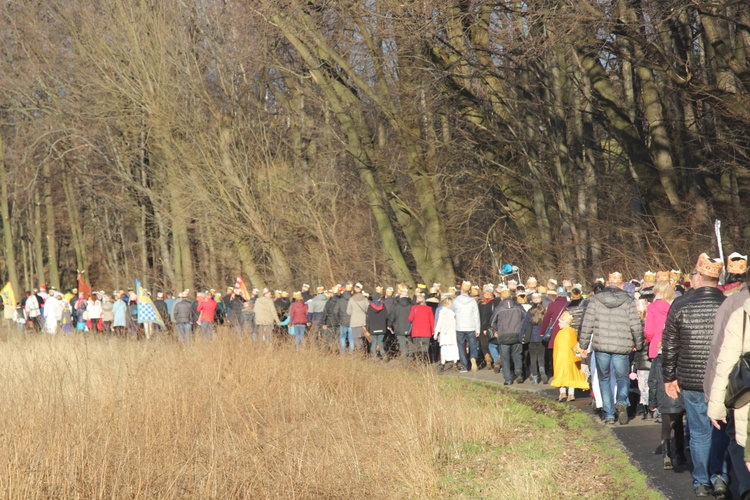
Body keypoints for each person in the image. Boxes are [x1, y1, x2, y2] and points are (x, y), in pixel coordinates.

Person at [663, 254, 726, 497]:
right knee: (721, 427)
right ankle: (719, 475)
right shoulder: (729, 304)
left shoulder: (681, 304)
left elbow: (669, 344)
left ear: (698, 277)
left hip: (691, 378)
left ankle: (701, 481)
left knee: (699, 431)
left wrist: (669, 376)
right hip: (722, 378)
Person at [579, 272, 644, 425]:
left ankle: (608, 413)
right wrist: (638, 344)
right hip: (622, 345)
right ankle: (621, 400)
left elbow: (587, 323)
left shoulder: (595, 300)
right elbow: (635, 324)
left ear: (608, 283)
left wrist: (583, 345)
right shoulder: (628, 300)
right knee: (622, 377)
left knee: (604, 379)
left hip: (601, 345)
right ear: (621, 285)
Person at [649, 348, 686, 471]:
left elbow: (653, 382)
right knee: (679, 425)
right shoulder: (681, 358)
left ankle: (667, 455)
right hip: (679, 396)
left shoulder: (657, 361)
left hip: (663, 397)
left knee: (666, 428)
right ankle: (680, 454)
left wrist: (652, 403)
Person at [489, 289, 526, 385]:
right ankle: (519, 371)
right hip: (517, 334)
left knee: (505, 358)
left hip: (504, 335)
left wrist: (496, 330)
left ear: (501, 298)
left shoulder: (498, 308)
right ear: (511, 297)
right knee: (517, 355)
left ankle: (508, 378)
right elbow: (525, 319)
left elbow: (492, 322)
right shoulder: (518, 307)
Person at [551, 311, 589, 401]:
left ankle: (563, 393)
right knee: (572, 374)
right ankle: (571, 394)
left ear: (564, 324)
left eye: (560, 323)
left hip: (561, 359)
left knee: (561, 374)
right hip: (572, 359)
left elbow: (557, 347)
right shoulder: (572, 332)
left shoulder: (561, 334)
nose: (559, 325)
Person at [539, 286, 569, 379]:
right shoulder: (569, 304)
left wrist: (542, 332)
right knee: (567, 356)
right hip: (567, 333)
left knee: (555, 356)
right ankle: (567, 374)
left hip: (555, 334)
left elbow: (546, 320)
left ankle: (557, 374)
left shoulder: (552, 305)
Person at [452, 281, 481, 373]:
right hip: (471, 326)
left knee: (461, 346)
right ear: (469, 291)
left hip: (460, 327)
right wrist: (478, 329)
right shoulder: (473, 301)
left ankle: (464, 365)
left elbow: (453, 312)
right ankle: (473, 357)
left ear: (461, 290)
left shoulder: (456, 301)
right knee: (473, 344)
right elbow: (476, 316)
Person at [520, 293, 547, 384]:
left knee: (533, 358)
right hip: (542, 337)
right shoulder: (544, 311)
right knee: (541, 356)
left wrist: (521, 336)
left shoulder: (530, 311)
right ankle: (542, 367)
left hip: (531, 338)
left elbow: (524, 325)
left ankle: (535, 376)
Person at [388, 284, 414, 360]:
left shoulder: (396, 304)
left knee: (402, 344)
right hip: (409, 327)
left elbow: (392, 315)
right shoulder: (412, 304)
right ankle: (411, 357)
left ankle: (404, 359)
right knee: (410, 343)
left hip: (399, 327)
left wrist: (389, 324)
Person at [434, 296, 459, 370]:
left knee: (444, 349)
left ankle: (443, 363)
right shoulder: (454, 312)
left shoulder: (442, 312)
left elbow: (439, 323)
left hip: (444, 334)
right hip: (453, 333)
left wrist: (436, 333)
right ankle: (455, 363)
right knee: (454, 348)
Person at [408, 293, 435, 362]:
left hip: (416, 331)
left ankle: (418, 361)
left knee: (417, 347)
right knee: (425, 348)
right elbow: (432, 321)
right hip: (426, 331)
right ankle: (424, 361)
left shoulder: (414, 308)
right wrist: (432, 331)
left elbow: (410, 319)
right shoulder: (429, 308)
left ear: (417, 300)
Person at [366, 291, 388, 360]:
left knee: (374, 342)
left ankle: (373, 357)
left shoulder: (370, 307)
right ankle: (384, 356)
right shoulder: (383, 306)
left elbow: (368, 319)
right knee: (380, 342)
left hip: (373, 327)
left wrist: (368, 327)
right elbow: (386, 316)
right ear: (379, 298)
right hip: (382, 327)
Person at [336, 283, 354, 354]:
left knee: (342, 337)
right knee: (351, 339)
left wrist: (339, 320)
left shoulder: (340, 300)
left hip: (342, 322)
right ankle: (351, 353)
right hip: (351, 322)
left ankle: (343, 353)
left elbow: (335, 311)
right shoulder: (353, 300)